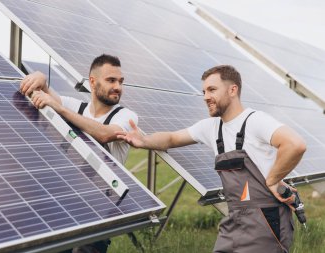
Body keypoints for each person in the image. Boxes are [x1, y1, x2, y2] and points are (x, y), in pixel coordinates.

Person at [117, 65, 306, 253]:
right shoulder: (212, 128)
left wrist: (273, 180)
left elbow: (295, 144)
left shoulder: (255, 121)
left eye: (212, 90)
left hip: (265, 218)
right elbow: (172, 138)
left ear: (233, 90)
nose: (206, 97)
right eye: (204, 91)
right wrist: (143, 140)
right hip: (234, 218)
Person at [20, 54, 138, 253]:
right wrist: (40, 76)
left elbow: (104, 134)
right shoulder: (77, 106)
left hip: (100, 208)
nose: (118, 86)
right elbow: (45, 91)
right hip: (68, 201)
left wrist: (60, 108)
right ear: (93, 82)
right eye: (111, 80)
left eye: (120, 81)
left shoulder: (126, 116)